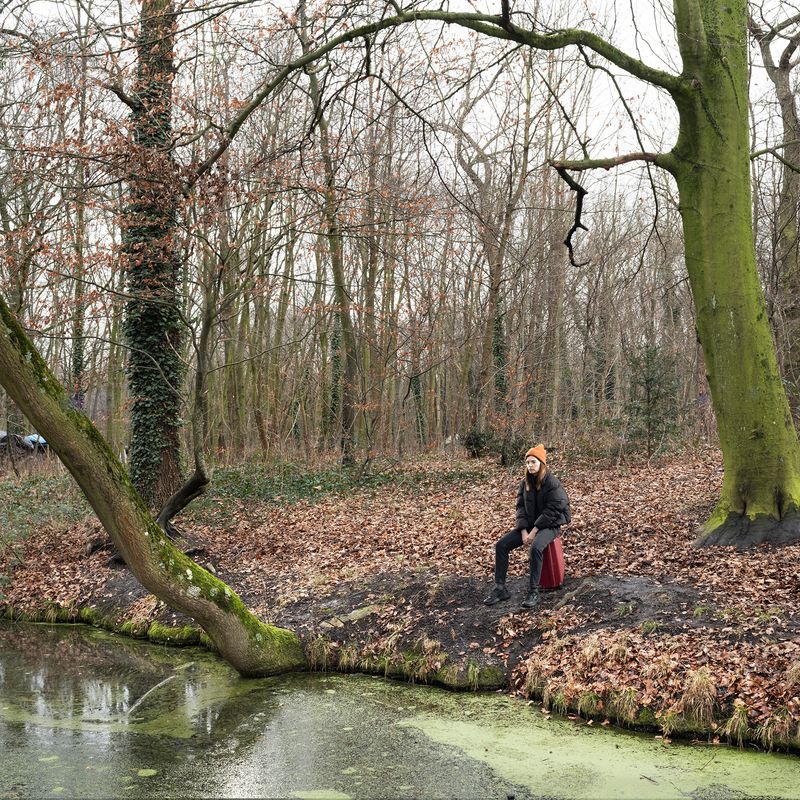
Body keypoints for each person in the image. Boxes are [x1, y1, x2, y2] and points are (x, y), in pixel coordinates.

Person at [483, 444, 570, 609]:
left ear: (541, 463)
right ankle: (500, 588)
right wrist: (523, 530)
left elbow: (554, 509)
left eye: (533, 462)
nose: (530, 465)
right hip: (529, 526)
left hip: (550, 525)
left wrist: (534, 531)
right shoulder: (525, 483)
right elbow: (520, 508)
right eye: (528, 462)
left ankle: (533, 591)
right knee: (501, 545)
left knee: (535, 548)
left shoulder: (552, 482)